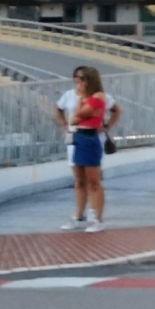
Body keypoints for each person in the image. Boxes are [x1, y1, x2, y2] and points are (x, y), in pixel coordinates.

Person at [60, 64, 117, 231]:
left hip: (91, 136)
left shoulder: (98, 96)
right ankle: (78, 215)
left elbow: (78, 116)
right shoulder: (74, 95)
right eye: (77, 77)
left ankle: (96, 218)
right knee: (79, 180)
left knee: (93, 180)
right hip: (77, 137)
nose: (78, 81)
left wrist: (106, 125)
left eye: (82, 78)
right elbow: (74, 117)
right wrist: (71, 119)